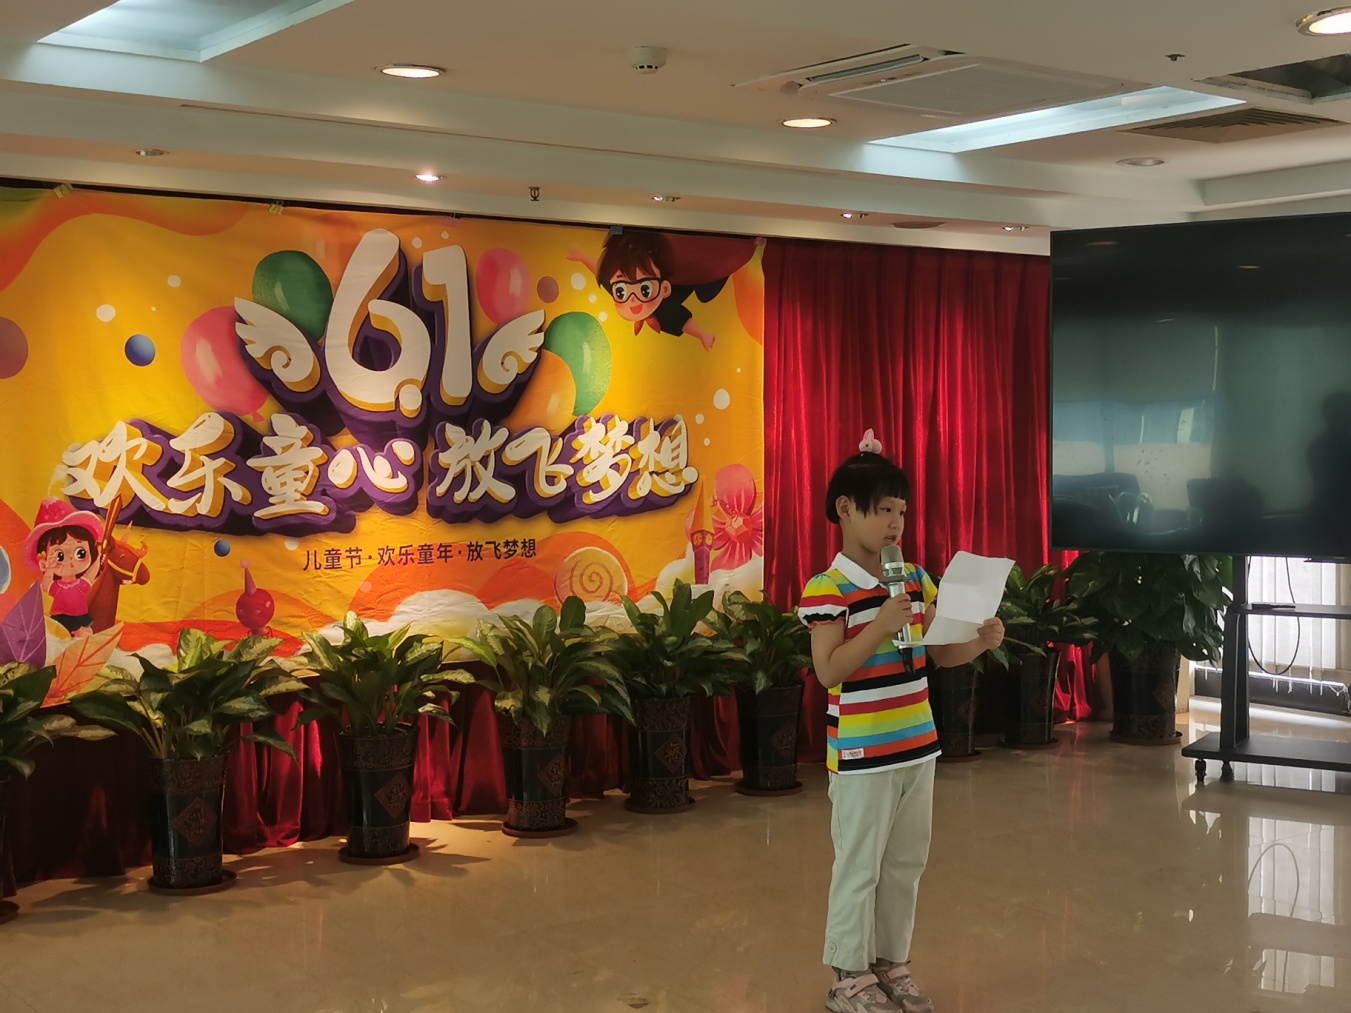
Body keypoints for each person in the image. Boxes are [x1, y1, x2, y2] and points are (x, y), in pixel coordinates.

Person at [798, 434, 1004, 1013]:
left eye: (902, 512)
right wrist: (880, 626)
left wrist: (979, 641)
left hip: (918, 745)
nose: (895, 523)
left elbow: (940, 652)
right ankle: (848, 974)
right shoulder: (828, 588)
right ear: (845, 509)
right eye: (883, 509)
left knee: (907, 862)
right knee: (859, 864)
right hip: (862, 753)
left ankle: (892, 963)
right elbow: (829, 671)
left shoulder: (913, 578)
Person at [22, 498, 106, 638]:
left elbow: (92, 572)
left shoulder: (82, 584)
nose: (71, 560)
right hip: (59, 619)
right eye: (60, 556)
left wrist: (100, 557)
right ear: (44, 561)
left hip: (80, 618)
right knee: (58, 639)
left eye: (80, 553)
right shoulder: (56, 586)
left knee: (85, 635)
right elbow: (46, 585)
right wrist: (49, 570)